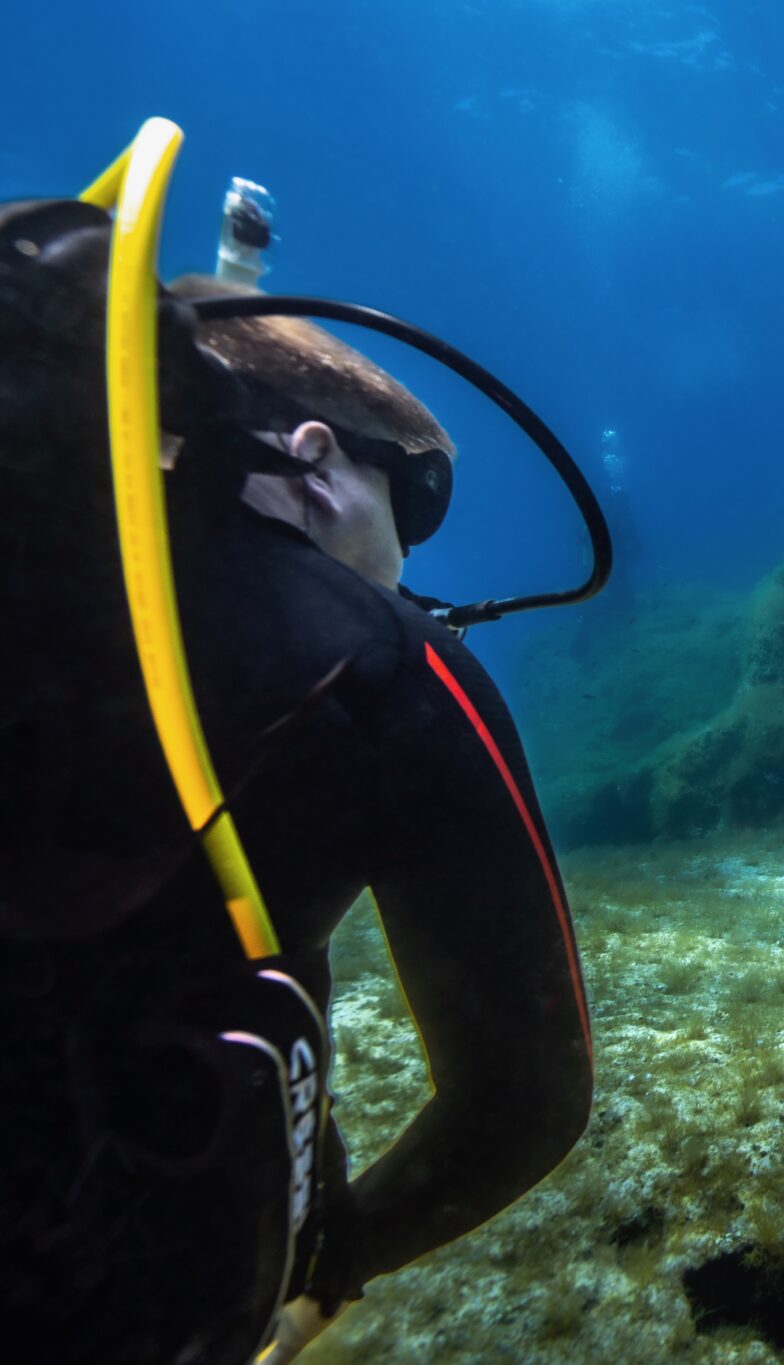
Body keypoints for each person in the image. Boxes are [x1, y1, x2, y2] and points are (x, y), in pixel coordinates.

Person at [1, 195, 592, 1360]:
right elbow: (527, 1097)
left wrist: (234, 282)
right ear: (317, 459)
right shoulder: (385, 660)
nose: (406, 564)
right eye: (408, 512)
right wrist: (329, 1263)